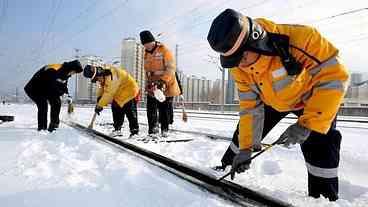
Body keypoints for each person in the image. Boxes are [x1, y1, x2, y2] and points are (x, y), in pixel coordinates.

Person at [207, 9, 349, 201]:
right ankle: (225, 167)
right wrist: (246, 148)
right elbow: (249, 107)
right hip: (271, 100)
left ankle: (322, 199)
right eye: (233, 61)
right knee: (241, 138)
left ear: (256, 41)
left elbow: (335, 76)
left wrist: (308, 124)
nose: (239, 65)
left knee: (321, 142)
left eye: (241, 58)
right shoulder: (238, 67)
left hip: (310, 99)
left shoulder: (300, 38)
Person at [140, 30, 181, 137]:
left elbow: (171, 68)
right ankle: (153, 130)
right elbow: (147, 71)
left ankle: (165, 130)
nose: (147, 47)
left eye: (149, 44)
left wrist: (162, 81)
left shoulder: (164, 50)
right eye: (145, 45)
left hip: (166, 84)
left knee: (164, 108)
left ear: (153, 41)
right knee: (151, 108)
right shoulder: (146, 54)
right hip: (153, 85)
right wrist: (148, 83)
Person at [24, 60, 83, 132]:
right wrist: (61, 93)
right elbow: (50, 85)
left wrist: (67, 95)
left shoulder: (66, 74)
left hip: (45, 88)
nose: (73, 74)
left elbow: (63, 85)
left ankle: (54, 125)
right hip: (34, 88)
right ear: (71, 68)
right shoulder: (54, 69)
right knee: (43, 104)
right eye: (74, 71)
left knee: (57, 102)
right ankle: (42, 128)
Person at [83, 64, 139, 137]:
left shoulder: (111, 76)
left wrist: (100, 105)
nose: (97, 81)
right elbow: (103, 87)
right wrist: (99, 97)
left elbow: (109, 93)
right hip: (119, 92)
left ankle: (134, 132)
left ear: (98, 74)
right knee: (115, 108)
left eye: (97, 79)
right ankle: (117, 130)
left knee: (129, 110)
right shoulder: (103, 74)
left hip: (130, 90)